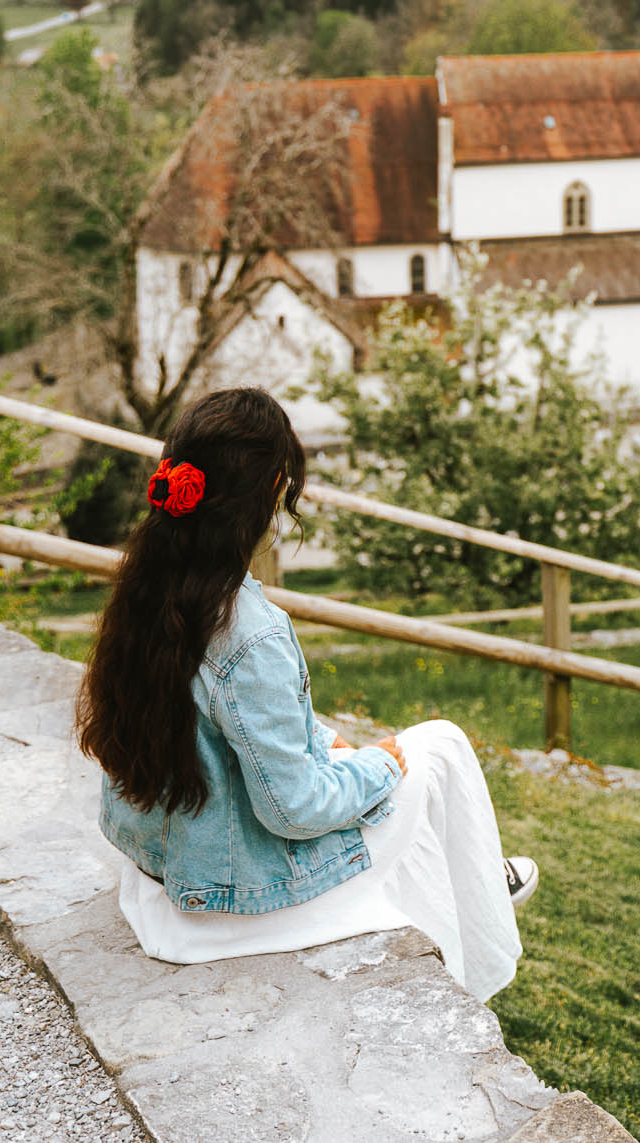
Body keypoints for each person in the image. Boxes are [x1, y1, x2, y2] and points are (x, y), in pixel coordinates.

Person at [75, 386, 537, 1001]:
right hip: (229, 904)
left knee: (372, 762)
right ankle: (479, 915)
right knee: (438, 747)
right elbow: (292, 809)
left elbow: (221, 714)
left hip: (162, 878)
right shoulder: (248, 628)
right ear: (269, 494)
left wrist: (321, 737)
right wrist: (379, 763)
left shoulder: (146, 585)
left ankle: (475, 876)